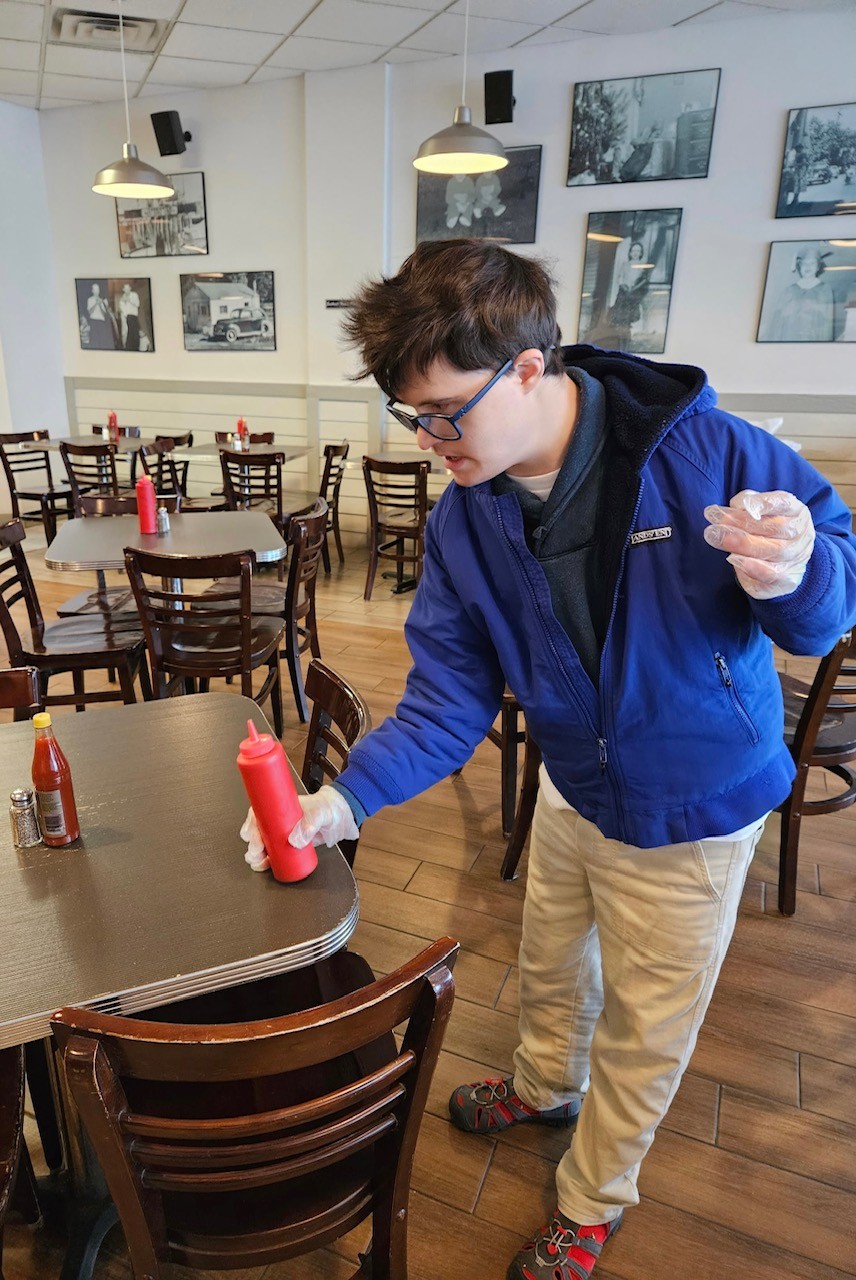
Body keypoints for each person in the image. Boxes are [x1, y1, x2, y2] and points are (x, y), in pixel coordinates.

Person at [241, 240, 856, 1280]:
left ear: (529, 366)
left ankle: (592, 1196)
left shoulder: (705, 450)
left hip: (695, 803)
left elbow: (826, 602)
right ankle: (541, 1082)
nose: (431, 440)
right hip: (577, 781)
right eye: (411, 416)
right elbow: (445, 698)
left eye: (445, 411)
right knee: (550, 956)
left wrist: (792, 568)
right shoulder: (468, 519)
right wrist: (340, 801)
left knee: (646, 1021)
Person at [768, 244, 835, 342]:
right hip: (789, 337)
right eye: (804, 263)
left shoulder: (824, 289)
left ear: (818, 267)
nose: (807, 266)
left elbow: (827, 322)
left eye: (812, 263)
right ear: (799, 267)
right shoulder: (789, 290)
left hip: (813, 338)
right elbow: (777, 322)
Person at [84, 282, 117, 350]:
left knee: (102, 340)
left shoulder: (103, 300)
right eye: (95, 289)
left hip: (101, 321)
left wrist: (100, 304)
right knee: (95, 340)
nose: (97, 291)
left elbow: (104, 314)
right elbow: (90, 312)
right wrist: (96, 303)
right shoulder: (90, 299)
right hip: (93, 321)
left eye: (98, 289)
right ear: (92, 291)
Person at [117, 282, 142, 351]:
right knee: (128, 333)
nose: (127, 290)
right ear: (123, 289)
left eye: (128, 288)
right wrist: (124, 302)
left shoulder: (134, 295)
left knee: (135, 333)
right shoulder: (122, 298)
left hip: (134, 316)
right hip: (127, 318)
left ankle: (136, 348)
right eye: (125, 288)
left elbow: (137, 304)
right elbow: (123, 310)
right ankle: (129, 348)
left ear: (130, 288)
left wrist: (129, 300)